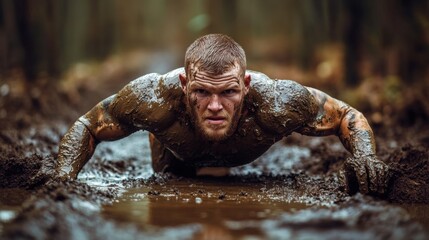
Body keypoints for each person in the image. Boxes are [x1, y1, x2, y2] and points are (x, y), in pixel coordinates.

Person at [58, 34, 389, 195]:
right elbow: (91, 123)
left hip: (242, 141)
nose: (215, 106)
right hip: (176, 155)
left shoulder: (276, 103)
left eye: (228, 92)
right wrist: (62, 177)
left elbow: (347, 115)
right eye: (202, 92)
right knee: (171, 192)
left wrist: (366, 158)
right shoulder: (154, 99)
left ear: (245, 86)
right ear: (185, 84)